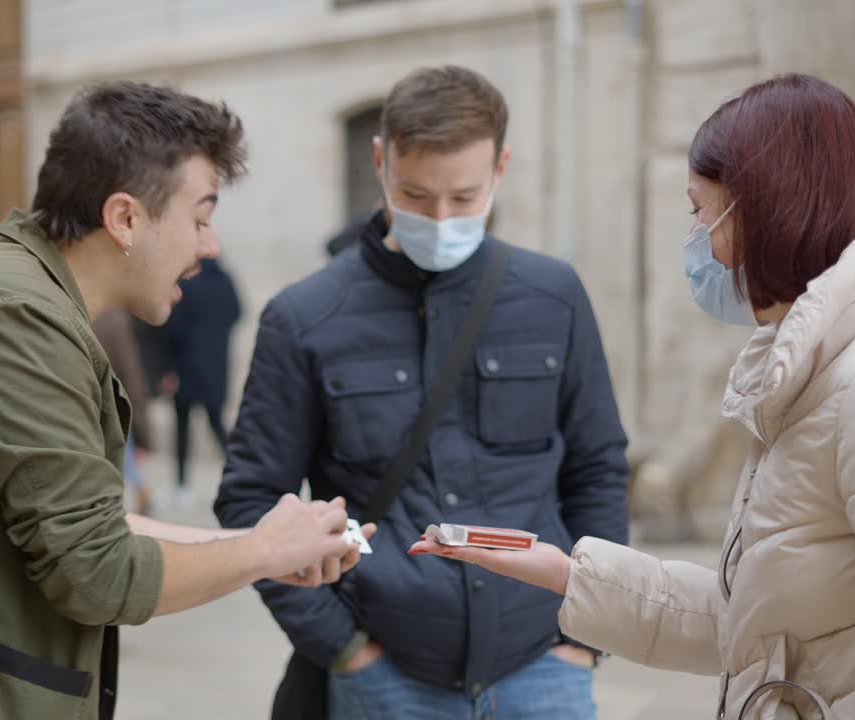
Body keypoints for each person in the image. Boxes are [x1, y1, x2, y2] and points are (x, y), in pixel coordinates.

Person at [411, 73, 855, 718]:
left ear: (769, 207)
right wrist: (564, 572)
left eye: (700, 211)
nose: (697, 239)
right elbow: (761, 627)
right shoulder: (818, 375)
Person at [0, 82, 372, 720]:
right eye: (199, 217)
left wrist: (253, 544)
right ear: (124, 219)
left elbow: (88, 519)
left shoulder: (25, 299)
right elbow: (97, 569)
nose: (210, 245)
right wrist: (261, 553)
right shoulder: (9, 315)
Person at [215, 66, 628, 720]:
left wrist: (585, 638)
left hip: (544, 669)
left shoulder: (555, 297)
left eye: (463, 199)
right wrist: (342, 648)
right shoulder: (304, 317)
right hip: (384, 678)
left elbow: (598, 468)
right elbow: (249, 499)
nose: (440, 218)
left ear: (501, 168)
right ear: (380, 162)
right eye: (415, 194)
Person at [158, 256, 241, 507]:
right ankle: (240, 475)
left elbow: (174, 329)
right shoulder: (226, 282)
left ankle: (182, 486)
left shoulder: (190, 285)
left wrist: (169, 367)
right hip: (216, 367)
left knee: (182, 428)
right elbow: (238, 312)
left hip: (187, 368)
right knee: (217, 425)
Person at [92, 308, 156, 515]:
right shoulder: (115, 318)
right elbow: (130, 369)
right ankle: (140, 491)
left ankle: (139, 491)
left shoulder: (80, 307)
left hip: (92, 400)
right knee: (121, 447)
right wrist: (141, 420)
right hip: (112, 401)